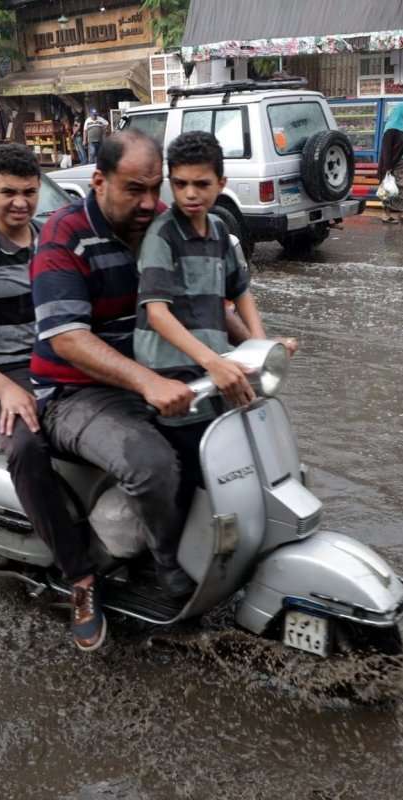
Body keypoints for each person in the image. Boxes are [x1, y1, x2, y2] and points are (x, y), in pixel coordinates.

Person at [31, 130, 197, 649]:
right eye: (135, 190)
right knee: (150, 463)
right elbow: (69, 340)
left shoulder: (161, 223)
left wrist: (250, 345)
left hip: (150, 377)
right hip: (73, 393)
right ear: (99, 180)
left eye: (155, 188)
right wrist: (147, 381)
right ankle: (152, 568)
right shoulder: (64, 235)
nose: (150, 202)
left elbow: (202, 294)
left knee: (218, 438)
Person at [0, 144, 100, 651]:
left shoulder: (52, 241)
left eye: (30, 192)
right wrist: (5, 387)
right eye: (9, 192)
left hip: (57, 361)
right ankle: (80, 580)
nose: (21, 203)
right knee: (28, 449)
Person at [134, 131, 294, 518]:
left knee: (238, 457)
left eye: (202, 184)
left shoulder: (221, 232)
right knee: (191, 473)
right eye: (181, 184)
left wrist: (261, 348)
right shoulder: (162, 235)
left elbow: (240, 293)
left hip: (213, 367)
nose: (191, 194)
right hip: (172, 373)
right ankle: (171, 562)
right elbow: (157, 313)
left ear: (221, 184)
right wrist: (214, 362)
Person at [376, 103, 403, 224]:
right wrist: (388, 167)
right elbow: (386, 149)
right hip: (392, 166)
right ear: (401, 112)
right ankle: (386, 215)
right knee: (388, 190)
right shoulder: (390, 128)